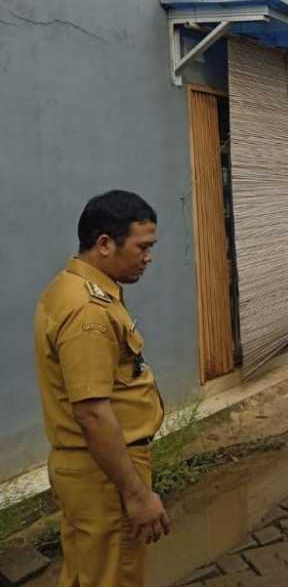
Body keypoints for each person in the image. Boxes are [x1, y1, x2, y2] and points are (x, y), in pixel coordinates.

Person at [34, 190, 170, 587]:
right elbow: (92, 412)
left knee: (87, 574)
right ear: (105, 244)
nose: (148, 257)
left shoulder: (72, 287)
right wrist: (137, 495)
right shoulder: (88, 311)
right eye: (142, 247)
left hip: (91, 469)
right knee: (113, 575)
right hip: (105, 474)